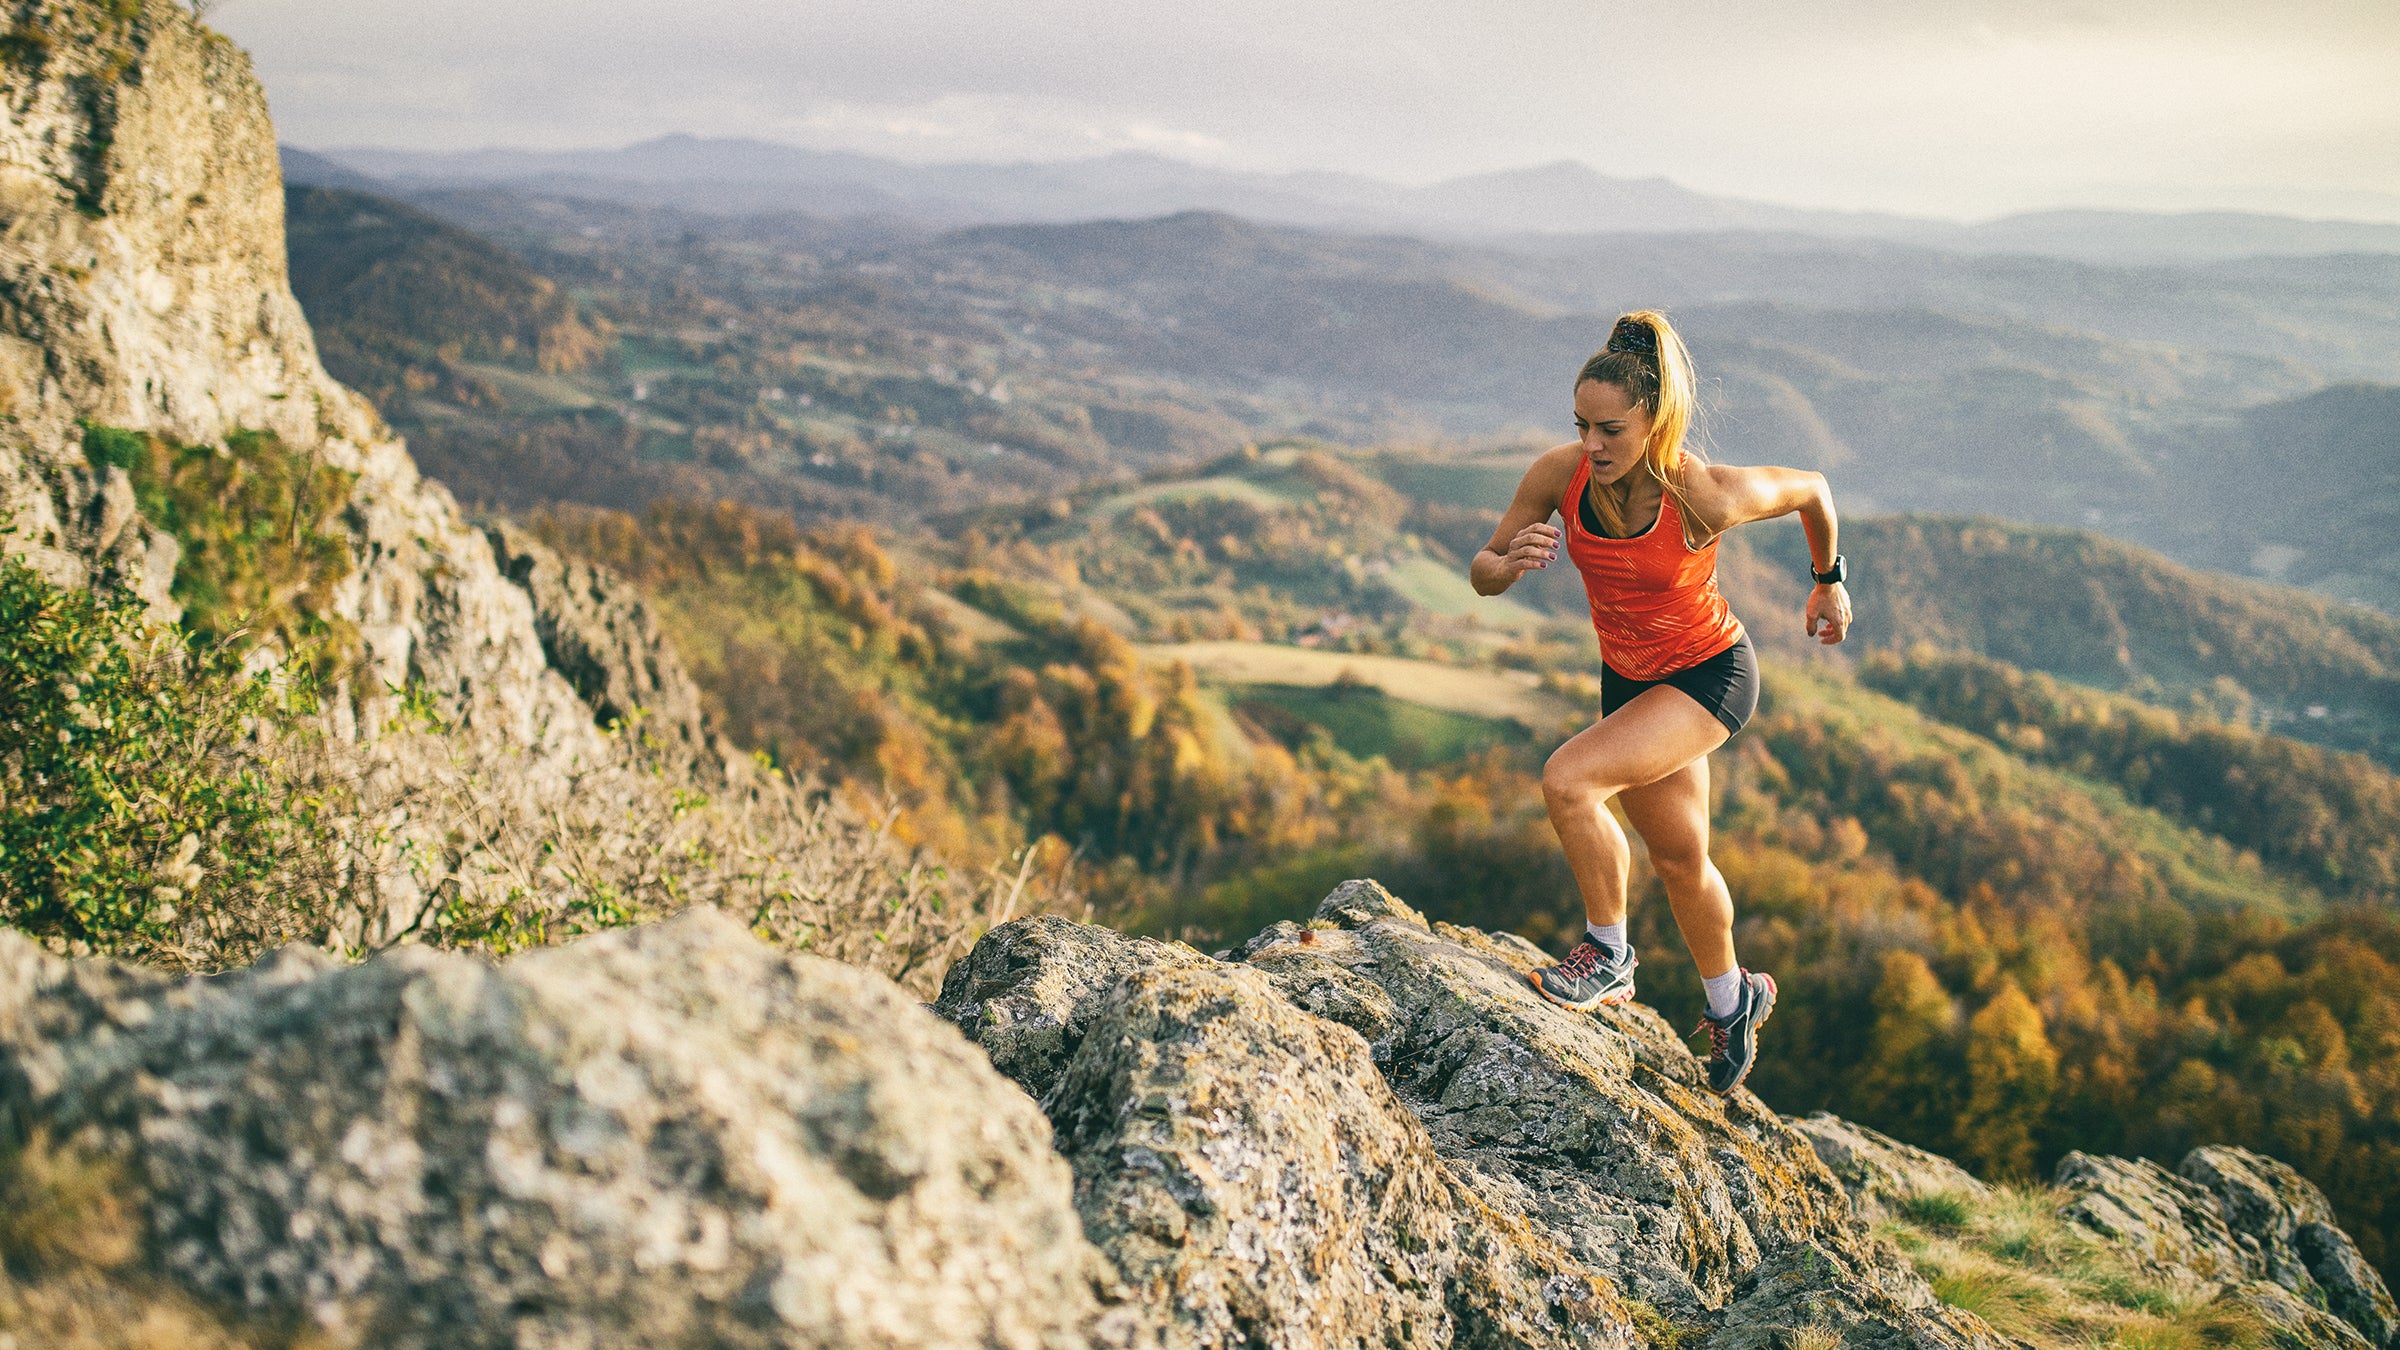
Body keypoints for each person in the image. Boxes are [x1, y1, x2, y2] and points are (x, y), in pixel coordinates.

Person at [1470, 309, 1851, 1096]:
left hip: (1711, 675)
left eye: (1610, 428)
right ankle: (1732, 999)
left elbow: (1812, 490)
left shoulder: (1702, 493)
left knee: (1569, 780)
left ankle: (1608, 955)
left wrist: (1828, 582)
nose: (1593, 444)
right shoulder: (1558, 476)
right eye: (1582, 426)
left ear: (1655, 421)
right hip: (1634, 682)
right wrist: (1508, 564)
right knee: (1680, 859)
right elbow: (1482, 566)